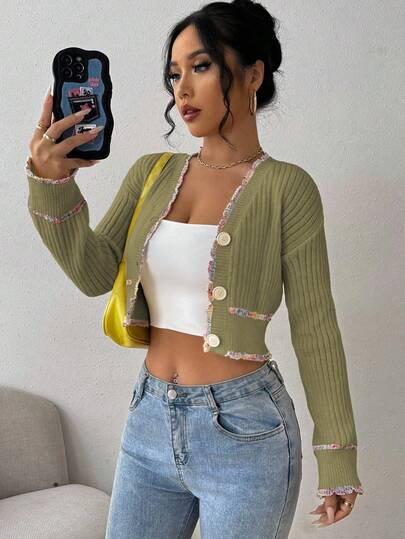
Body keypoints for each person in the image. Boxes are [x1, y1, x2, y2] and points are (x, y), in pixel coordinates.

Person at [26, 1, 363, 537]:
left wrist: (337, 455)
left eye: (200, 67)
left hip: (246, 434)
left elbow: (315, 324)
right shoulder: (152, 173)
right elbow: (93, 274)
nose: (181, 90)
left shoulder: (287, 188)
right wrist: (53, 183)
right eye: (174, 74)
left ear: (253, 75)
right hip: (149, 419)